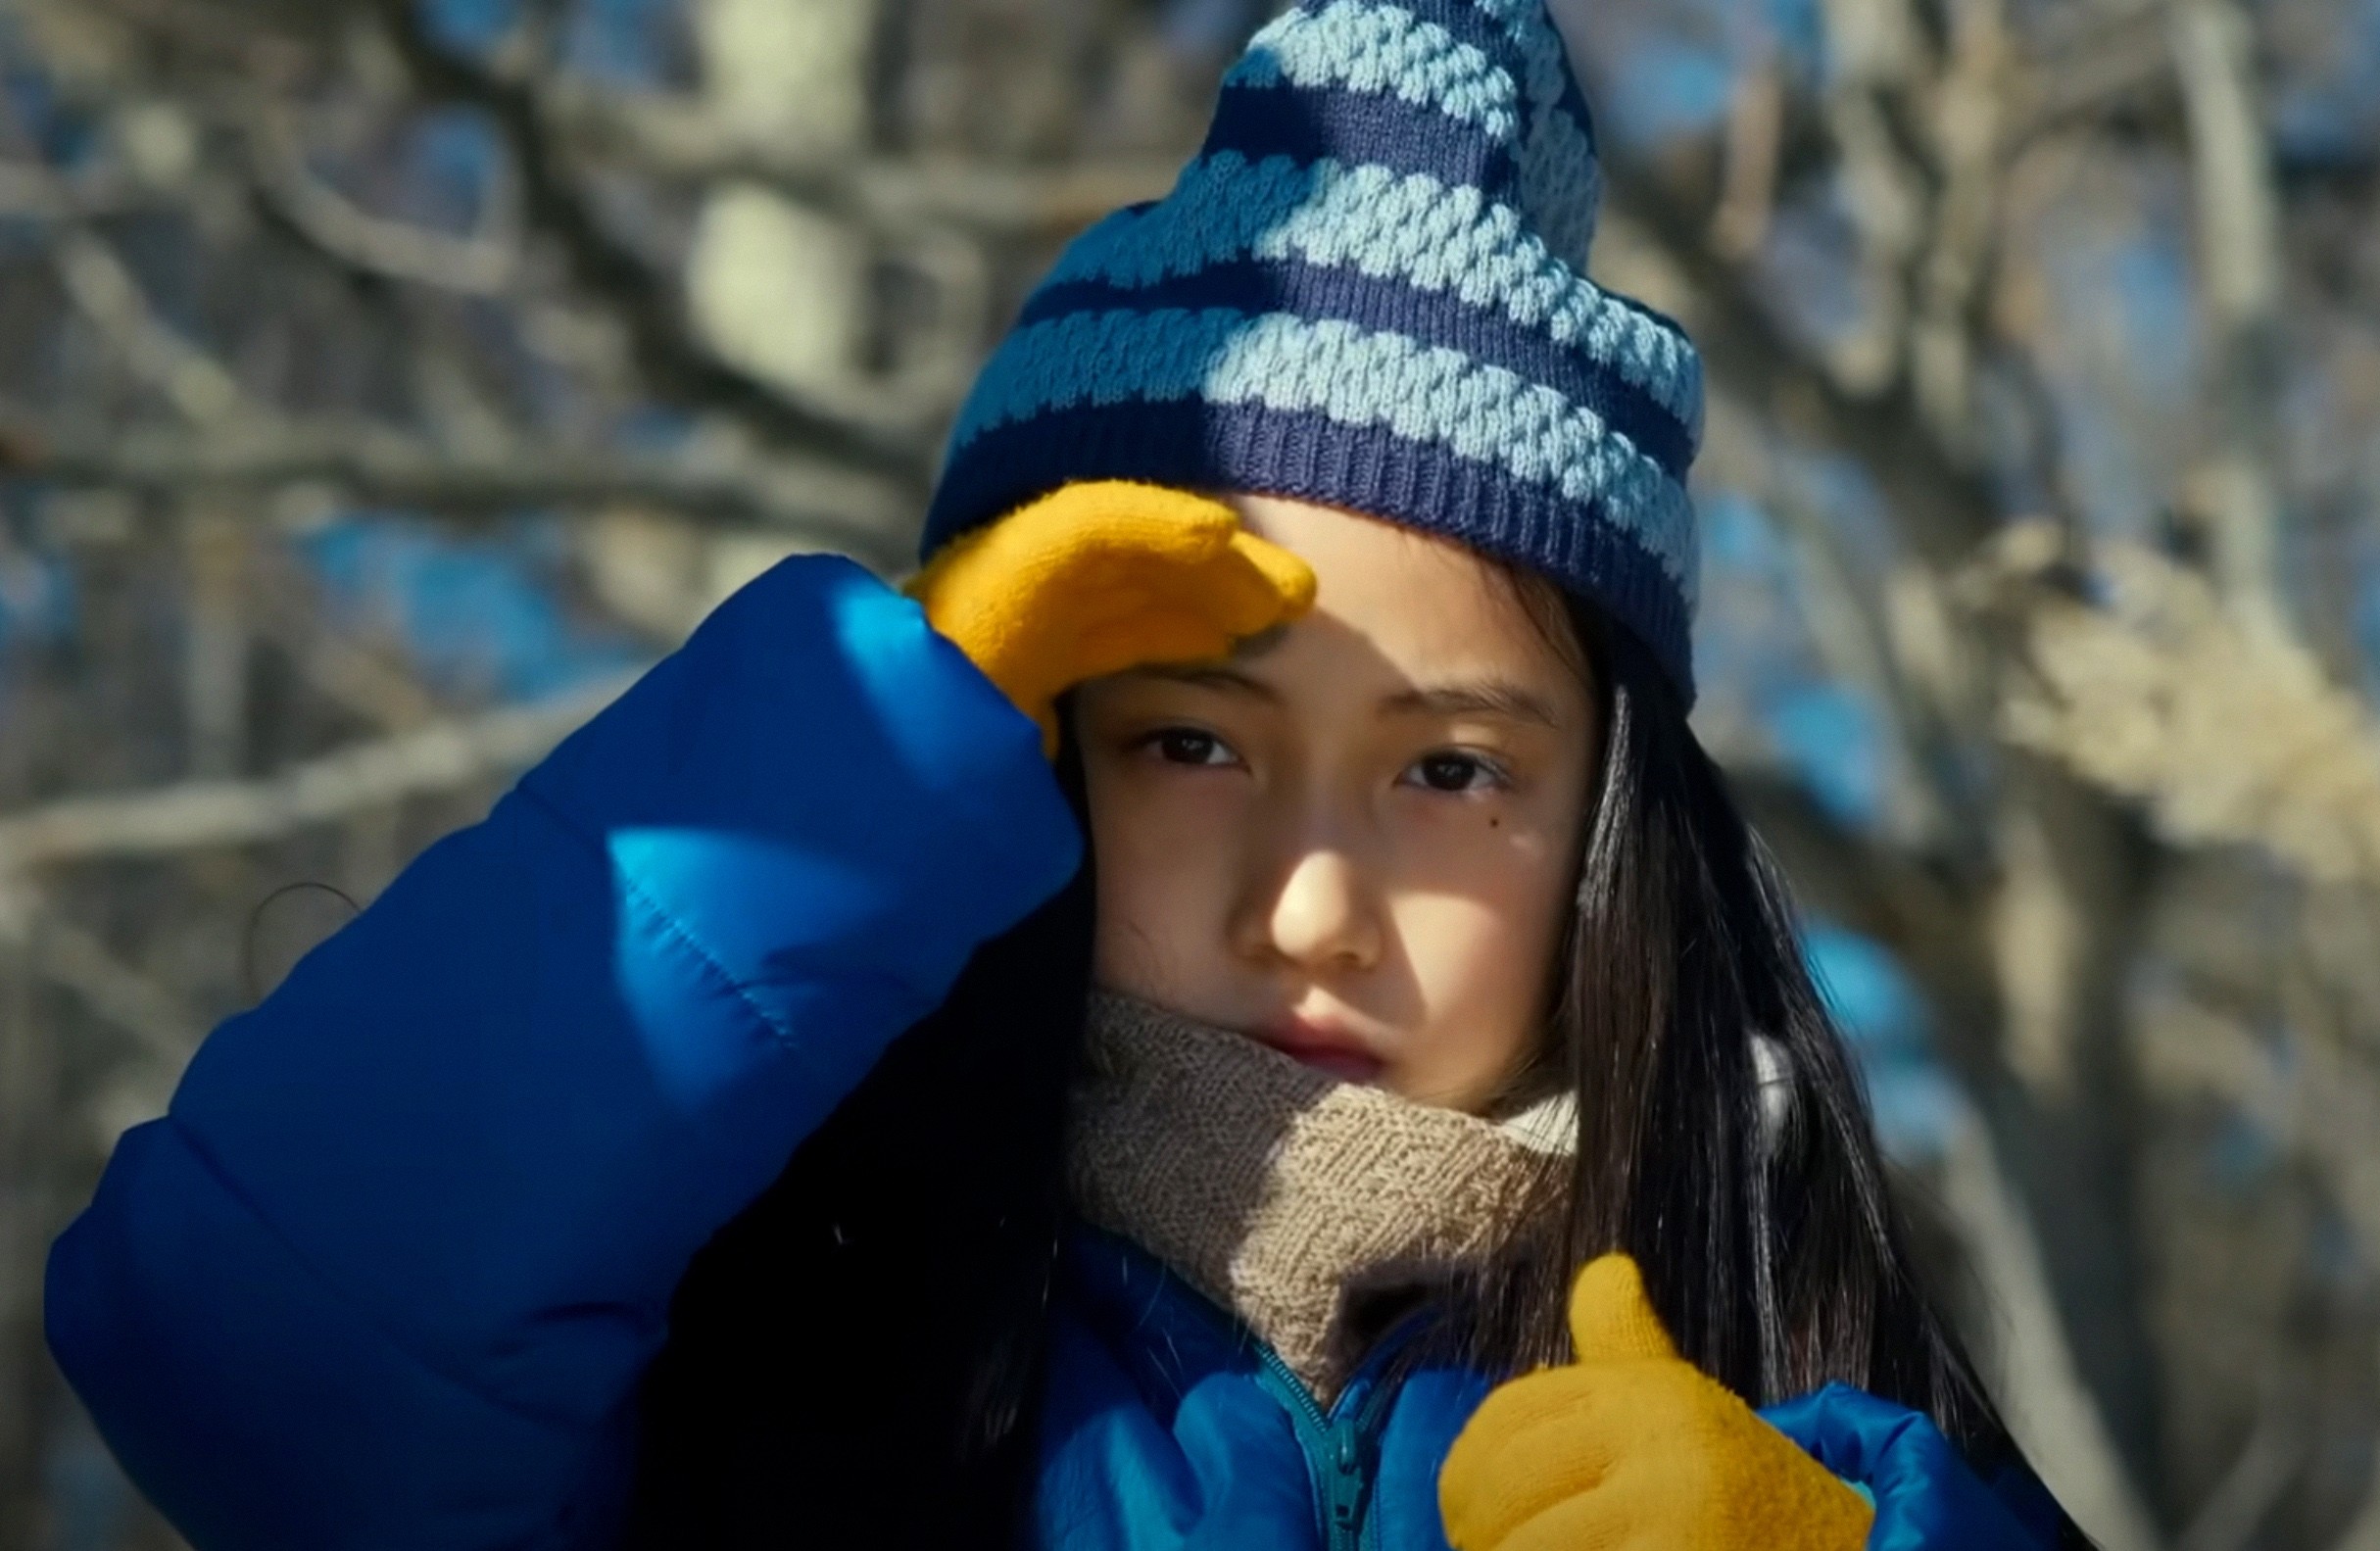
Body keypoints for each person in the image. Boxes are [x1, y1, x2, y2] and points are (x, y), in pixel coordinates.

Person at [46, 3, 2086, 1548]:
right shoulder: (765, 1344)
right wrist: (862, 741)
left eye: (1451, 770)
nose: (1306, 901)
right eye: (1187, 742)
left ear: (1615, 846)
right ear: (1029, 771)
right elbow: (249, 1351)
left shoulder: (1802, 1455)